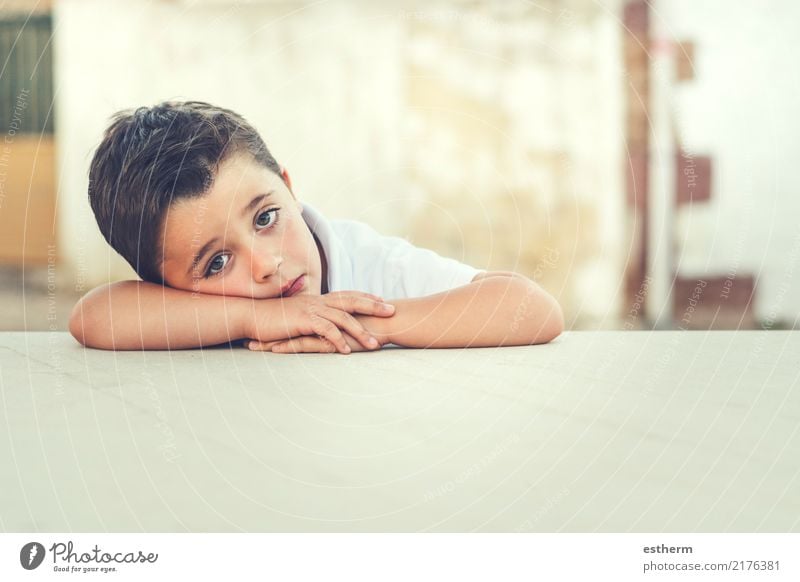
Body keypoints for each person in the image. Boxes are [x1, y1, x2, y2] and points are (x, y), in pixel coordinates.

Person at [70, 101, 563, 353]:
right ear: (165, 287)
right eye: (217, 263)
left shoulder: (373, 267)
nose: (267, 264)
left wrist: (352, 323)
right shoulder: (189, 315)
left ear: (289, 187)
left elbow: (533, 309)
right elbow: (92, 318)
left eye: (266, 217)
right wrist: (254, 320)